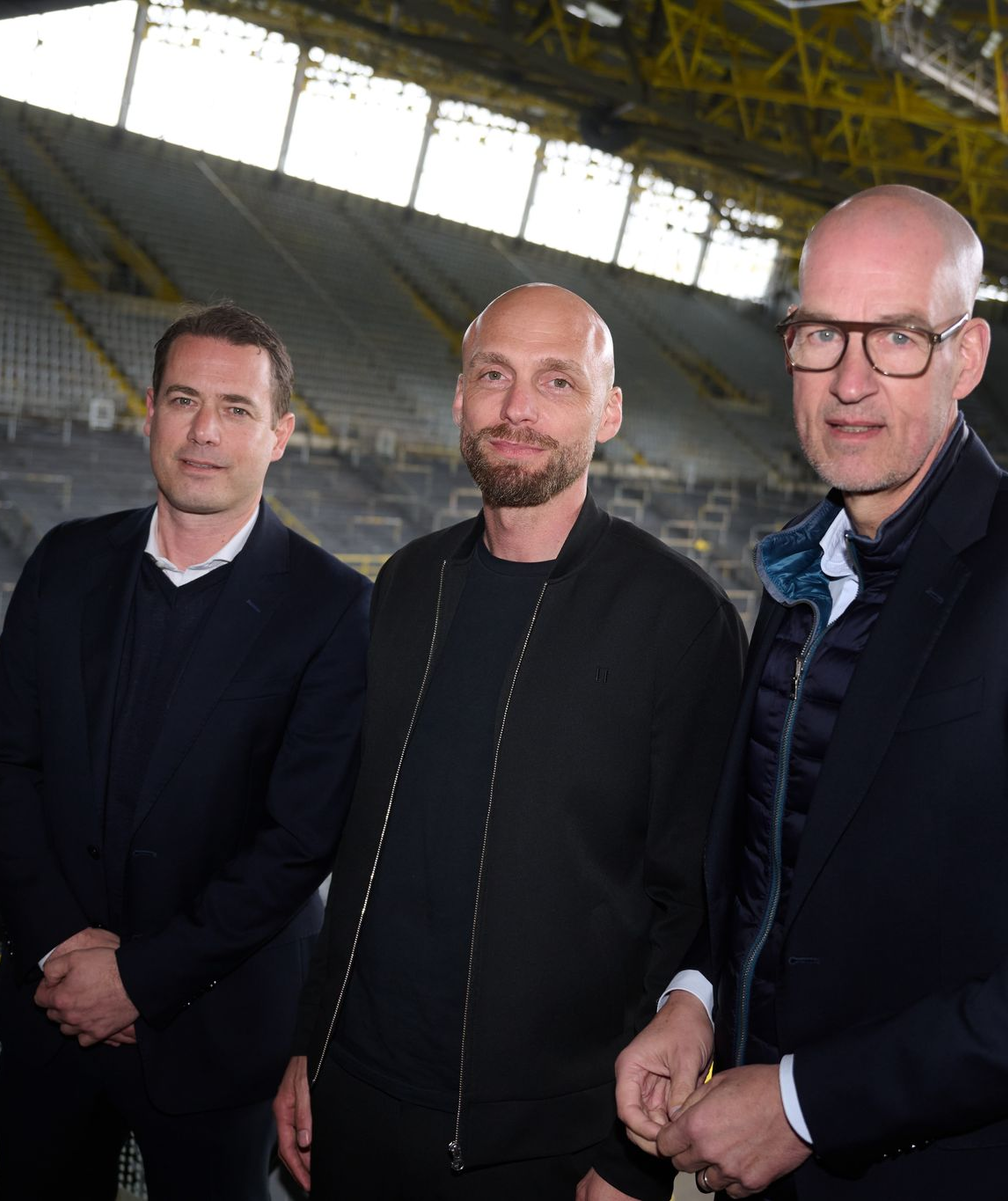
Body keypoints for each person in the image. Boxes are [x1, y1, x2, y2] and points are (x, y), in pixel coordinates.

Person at [614, 185, 1008, 1201]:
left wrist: (805, 1101)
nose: (848, 380)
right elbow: (772, 865)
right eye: (820, 335)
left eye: (894, 338)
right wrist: (696, 997)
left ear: (964, 357)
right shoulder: (800, 571)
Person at [273, 282, 746, 1201]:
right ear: (460, 400)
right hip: (358, 1105)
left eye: (557, 382)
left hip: (551, 1146)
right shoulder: (409, 583)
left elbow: (694, 900)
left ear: (608, 414)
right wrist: (310, 1043)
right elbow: (363, 850)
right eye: (494, 375)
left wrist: (630, 1157)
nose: (517, 407)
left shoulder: (678, 617)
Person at [0, 303, 371, 1200]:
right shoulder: (64, 560)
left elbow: (297, 842)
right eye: (183, 399)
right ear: (150, 414)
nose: (206, 431)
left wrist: (138, 978)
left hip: (218, 1034)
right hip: (46, 1014)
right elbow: (9, 765)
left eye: (238, 409)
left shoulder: (335, 608)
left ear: (280, 434)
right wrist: (58, 947)